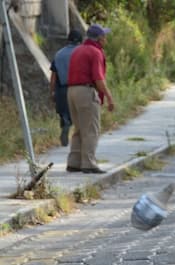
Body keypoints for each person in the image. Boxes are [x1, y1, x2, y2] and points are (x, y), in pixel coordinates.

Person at [65, 24, 115, 174]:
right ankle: (89, 163)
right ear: (99, 38)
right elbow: (99, 79)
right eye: (104, 36)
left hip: (71, 91)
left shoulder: (77, 50)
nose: (106, 39)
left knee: (79, 129)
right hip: (86, 91)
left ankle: (74, 162)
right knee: (91, 129)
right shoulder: (95, 52)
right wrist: (110, 98)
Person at [49, 29, 83, 147]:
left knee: (64, 111)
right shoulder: (81, 53)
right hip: (78, 87)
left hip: (62, 88)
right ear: (80, 41)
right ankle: (78, 136)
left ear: (68, 40)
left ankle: (65, 123)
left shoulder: (58, 54)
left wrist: (52, 92)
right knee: (77, 112)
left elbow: (53, 76)